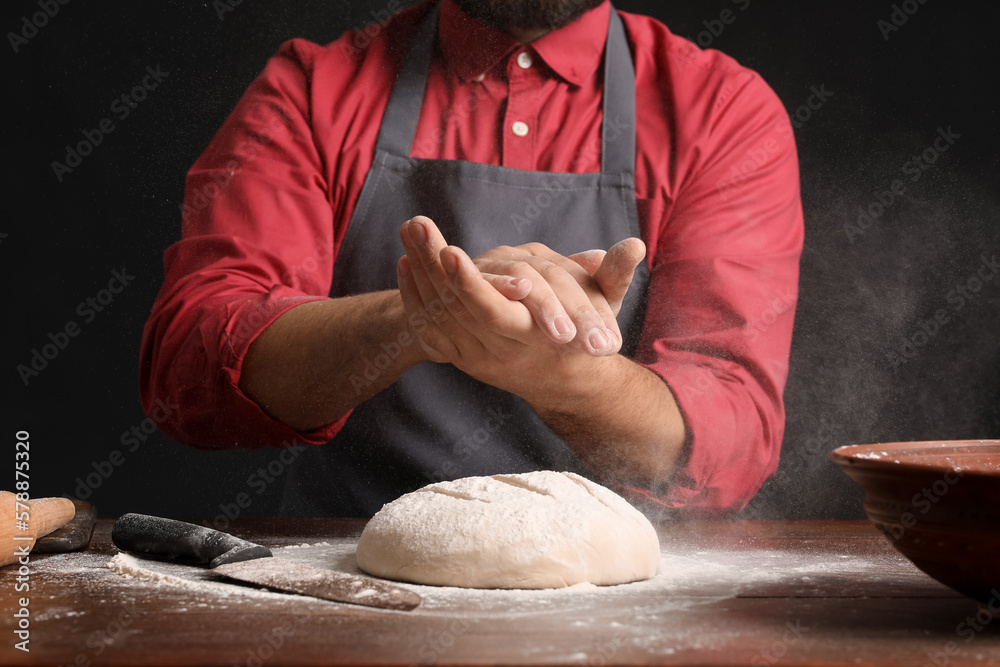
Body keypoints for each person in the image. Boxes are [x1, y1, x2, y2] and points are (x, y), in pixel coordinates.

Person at [140, 0, 803, 517]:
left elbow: (730, 433)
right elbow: (188, 370)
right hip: (350, 588)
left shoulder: (720, 113)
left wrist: (568, 377)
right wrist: (417, 317)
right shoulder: (312, 90)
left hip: (612, 605)